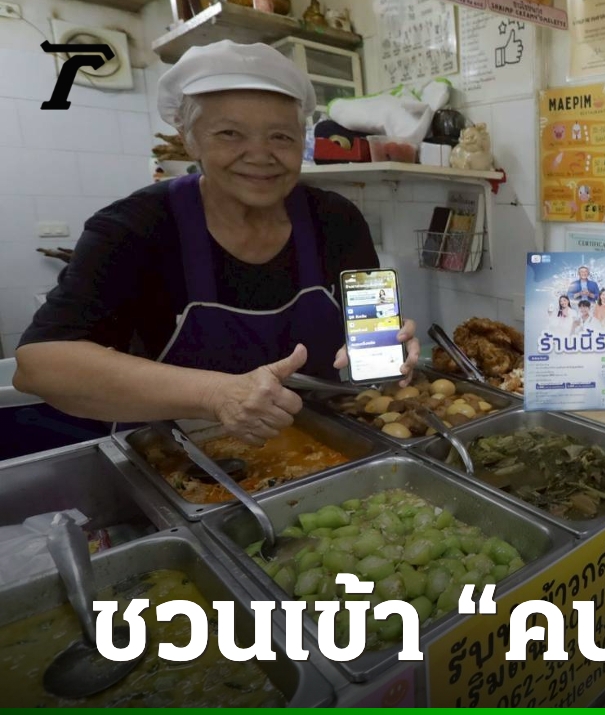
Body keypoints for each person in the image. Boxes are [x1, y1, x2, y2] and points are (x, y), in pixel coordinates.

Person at [13, 40, 420, 448]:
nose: (260, 155)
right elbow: (40, 366)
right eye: (230, 133)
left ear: (302, 141)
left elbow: (374, 333)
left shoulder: (337, 220)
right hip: (179, 455)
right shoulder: (134, 228)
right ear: (189, 139)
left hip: (321, 444)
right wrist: (216, 395)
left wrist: (387, 348)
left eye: (281, 136)